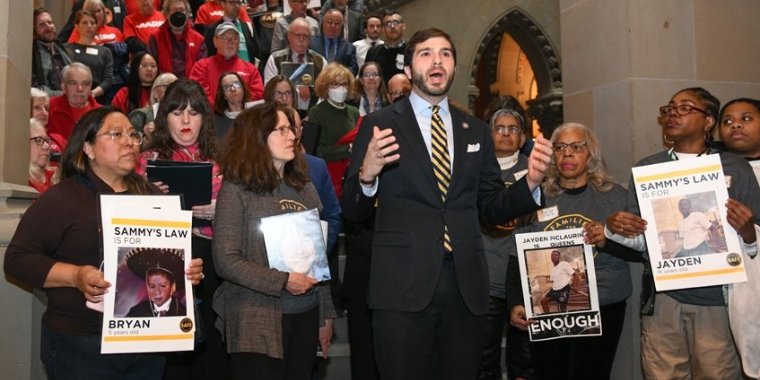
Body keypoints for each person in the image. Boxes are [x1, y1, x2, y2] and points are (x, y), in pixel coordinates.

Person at [340, 28, 553, 380]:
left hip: (464, 288)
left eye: (445, 53)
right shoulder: (380, 125)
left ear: (453, 67)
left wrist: (529, 182)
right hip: (401, 289)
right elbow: (352, 211)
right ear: (408, 70)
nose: (437, 60)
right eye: (425, 53)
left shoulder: (476, 130)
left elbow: (490, 208)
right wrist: (367, 175)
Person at [4, 106, 204, 378]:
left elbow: (174, 258)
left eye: (133, 135)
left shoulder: (153, 196)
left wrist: (188, 272)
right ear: (88, 148)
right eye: (115, 134)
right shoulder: (63, 198)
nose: (129, 141)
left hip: (148, 343)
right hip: (81, 344)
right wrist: (75, 275)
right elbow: (17, 260)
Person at [605, 87, 760, 379]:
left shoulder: (735, 168)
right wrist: (614, 228)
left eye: (686, 107)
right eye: (669, 108)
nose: (673, 113)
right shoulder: (648, 168)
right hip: (664, 301)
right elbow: (642, 243)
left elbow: (755, 241)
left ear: (709, 121)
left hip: (720, 302)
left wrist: (750, 233)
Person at [213, 102, 337, 380]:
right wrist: (282, 281)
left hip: (306, 317)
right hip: (256, 321)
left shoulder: (303, 186)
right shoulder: (236, 189)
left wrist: (325, 315)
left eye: (290, 128)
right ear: (257, 138)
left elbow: (318, 257)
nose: (292, 135)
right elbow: (225, 260)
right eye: (281, 130)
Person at [505, 122, 637, 380]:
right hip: (549, 313)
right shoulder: (535, 197)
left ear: (591, 154)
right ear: (552, 154)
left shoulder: (615, 197)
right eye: (560, 147)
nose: (568, 153)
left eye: (577, 147)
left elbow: (640, 254)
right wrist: (515, 303)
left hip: (604, 308)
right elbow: (515, 257)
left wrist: (606, 241)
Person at [136, 78, 228, 379]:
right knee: (172, 358)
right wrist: (151, 200)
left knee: (214, 351)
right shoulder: (146, 162)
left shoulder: (224, 161)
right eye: (177, 112)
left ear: (205, 117)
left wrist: (222, 211)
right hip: (165, 261)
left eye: (193, 112)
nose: (186, 120)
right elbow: (126, 224)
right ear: (165, 117)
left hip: (217, 265)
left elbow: (248, 217)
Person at [474, 108, 529, 380]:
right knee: (484, 359)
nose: (506, 134)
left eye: (513, 129)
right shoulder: (473, 172)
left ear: (523, 138)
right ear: (488, 134)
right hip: (486, 279)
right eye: (499, 128)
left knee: (525, 363)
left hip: (528, 280)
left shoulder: (538, 173)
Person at [717, 97, 760, 379]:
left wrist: (750, 233)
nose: (736, 126)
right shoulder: (708, 171)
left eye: (746, 118)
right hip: (731, 290)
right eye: (728, 121)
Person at [308, 62, 359, 196]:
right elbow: (316, 151)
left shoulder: (354, 112)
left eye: (344, 84)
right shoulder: (317, 112)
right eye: (334, 84)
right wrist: (348, 149)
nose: (340, 88)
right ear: (325, 87)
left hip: (351, 173)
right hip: (330, 176)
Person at [191, 22, 265, 107]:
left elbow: (258, 96)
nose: (230, 42)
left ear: (239, 43)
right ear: (215, 41)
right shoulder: (201, 67)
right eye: (225, 38)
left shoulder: (251, 69)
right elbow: (199, 96)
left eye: (234, 38)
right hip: (212, 118)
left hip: (244, 117)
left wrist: (238, 109)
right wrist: (222, 112)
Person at [264, 18, 327, 113]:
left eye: (305, 36)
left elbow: (325, 92)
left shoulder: (320, 61)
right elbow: (269, 91)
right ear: (289, 37)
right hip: (283, 112)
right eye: (297, 36)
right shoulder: (275, 59)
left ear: (310, 39)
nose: (301, 40)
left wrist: (315, 113)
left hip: (313, 114)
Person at [147, 0, 207, 79]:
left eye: (182, 10)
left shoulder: (198, 39)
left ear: (187, 13)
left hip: (190, 86)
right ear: (167, 14)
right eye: (174, 10)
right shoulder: (156, 38)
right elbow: (152, 66)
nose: (179, 13)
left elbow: (201, 69)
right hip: (165, 85)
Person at [64, 11, 115, 104]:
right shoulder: (66, 49)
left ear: (96, 26)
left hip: (96, 100)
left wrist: (91, 94)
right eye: (84, 23)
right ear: (76, 26)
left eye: (92, 23)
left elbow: (108, 80)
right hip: (69, 99)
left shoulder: (105, 51)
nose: (89, 26)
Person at [48, 63, 102, 143]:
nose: (80, 89)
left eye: (85, 84)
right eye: (73, 83)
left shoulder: (102, 114)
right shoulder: (47, 108)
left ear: (90, 87)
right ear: (63, 86)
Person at [125, 248, 188, 318]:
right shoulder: (135, 312)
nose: (157, 292)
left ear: (173, 287)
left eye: (162, 286)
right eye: (152, 286)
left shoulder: (183, 313)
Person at [202, 0, 261, 66]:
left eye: (239, 3)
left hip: (248, 72)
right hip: (225, 73)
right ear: (222, 3)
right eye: (232, 2)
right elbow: (210, 57)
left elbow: (257, 54)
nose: (236, 6)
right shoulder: (212, 30)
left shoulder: (248, 27)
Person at [32, 7, 73, 96]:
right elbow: (35, 88)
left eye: (50, 23)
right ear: (34, 30)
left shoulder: (65, 52)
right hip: (47, 105)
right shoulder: (32, 55)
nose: (48, 27)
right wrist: (64, 96)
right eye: (42, 24)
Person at [128, 72, 178, 141]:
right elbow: (131, 145)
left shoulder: (182, 118)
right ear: (155, 92)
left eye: (176, 87)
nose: (172, 91)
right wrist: (148, 139)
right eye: (167, 86)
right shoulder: (139, 116)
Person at [309, 9, 358, 74]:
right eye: (329, 22)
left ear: (342, 25)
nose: (333, 26)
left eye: (337, 23)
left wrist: (338, 75)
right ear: (323, 23)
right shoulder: (310, 42)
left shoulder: (349, 47)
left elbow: (353, 68)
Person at [365, 9, 406, 84]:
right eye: (388, 23)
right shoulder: (373, 51)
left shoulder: (412, 51)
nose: (392, 26)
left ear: (403, 26)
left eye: (396, 22)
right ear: (383, 29)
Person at [58, 0, 128, 43]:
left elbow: (123, 27)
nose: (97, 15)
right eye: (94, 11)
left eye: (99, 11)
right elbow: (69, 29)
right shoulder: (81, 3)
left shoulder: (118, 2)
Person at [213, 71, 254, 142]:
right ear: (223, 95)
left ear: (243, 89)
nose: (233, 89)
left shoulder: (255, 115)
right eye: (227, 87)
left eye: (237, 84)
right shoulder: (215, 122)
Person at [29, 119, 59, 194]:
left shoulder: (56, 176)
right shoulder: (21, 183)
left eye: (46, 140)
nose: (46, 146)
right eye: (38, 140)